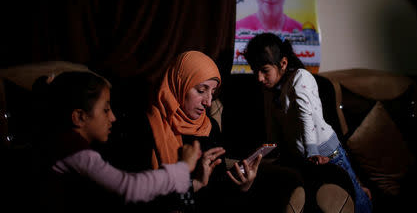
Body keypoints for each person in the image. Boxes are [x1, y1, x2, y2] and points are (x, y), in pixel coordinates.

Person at [33, 71, 202, 212]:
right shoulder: (73, 148)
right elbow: (129, 187)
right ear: (79, 116)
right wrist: (183, 167)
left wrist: (195, 182)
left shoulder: (73, 144)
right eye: (106, 110)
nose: (113, 118)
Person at [244, 33, 373, 213]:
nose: (258, 78)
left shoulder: (300, 78)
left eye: (264, 70)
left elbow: (307, 118)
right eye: (254, 70)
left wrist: (312, 153)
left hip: (327, 153)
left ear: (283, 63)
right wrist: (258, 156)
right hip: (306, 160)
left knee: (357, 204)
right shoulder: (269, 91)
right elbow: (272, 132)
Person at [146, 50, 262, 212]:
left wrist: (243, 186)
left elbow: (218, 190)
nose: (208, 102)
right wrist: (196, 183)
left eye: (212, 92)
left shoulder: (210, 126)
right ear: (180, 83)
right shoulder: (150, 124)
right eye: (201, 90)